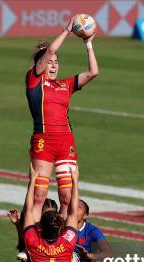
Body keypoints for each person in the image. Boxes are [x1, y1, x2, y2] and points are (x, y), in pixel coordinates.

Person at [25, 18, 98, 220]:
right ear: (41, 65)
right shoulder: (34, 80)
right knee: (39, 195)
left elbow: (93, 72)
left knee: (67, 197)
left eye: (57, 62)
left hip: (66, 143)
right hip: (43, 141)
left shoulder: (65, 85)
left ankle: (64, 243)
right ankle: (30, 243)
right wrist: (67, 30)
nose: (54, 65)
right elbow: (48, 52)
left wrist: (88, 44)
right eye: (50, 62)